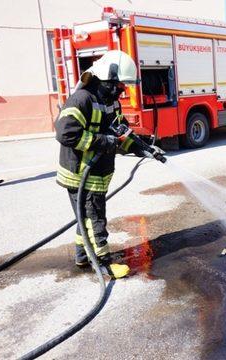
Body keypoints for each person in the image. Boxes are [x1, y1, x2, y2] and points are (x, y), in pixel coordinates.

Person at [55, 50, 147, 276]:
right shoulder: (82, 99)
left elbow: (120, 131)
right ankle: (104, 263)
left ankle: (82, 256)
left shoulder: (111, 102)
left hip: (96, 172)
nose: (122, 89)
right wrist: (104, 141)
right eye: (118, 84)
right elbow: (65, 133)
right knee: (93, 217)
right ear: (105, 80)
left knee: (84, 217)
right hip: (81, 173)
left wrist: (140, 146)